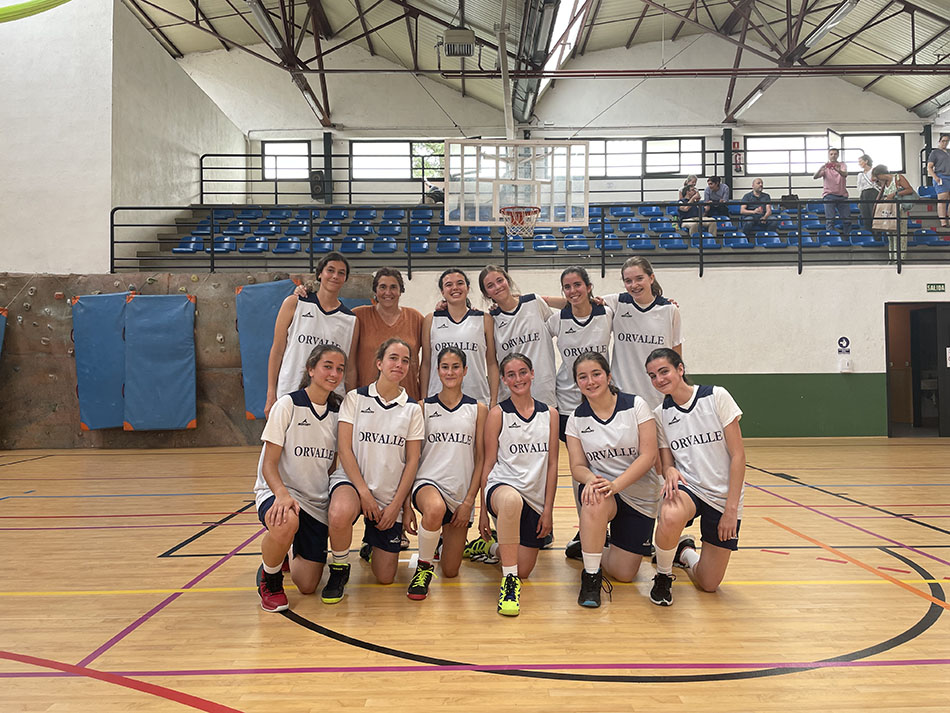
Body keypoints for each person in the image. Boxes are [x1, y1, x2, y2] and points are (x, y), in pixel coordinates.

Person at [645, 348, 745, 607]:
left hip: (724, 496)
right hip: (690, 487)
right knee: (669, 513)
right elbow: (666, 462)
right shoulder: (660, 414)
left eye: (663, 371)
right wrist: (669, 470)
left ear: (680, 369)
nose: (659, 380)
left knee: (709, 584)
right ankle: (664, 576)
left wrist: (730, 510)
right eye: (652, 376)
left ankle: (684, 552)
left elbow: (738, 456)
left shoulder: (716, 396)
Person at [324, 338, 425, 598]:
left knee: (385, 578)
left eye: (405, 360)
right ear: (379, 363)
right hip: (353, 483)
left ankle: (371, 544)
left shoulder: (413, 409)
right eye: (393, 358)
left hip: (388, 494)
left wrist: (397, 506)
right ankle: (339, 568)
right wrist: (364, 493)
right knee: (339, 512)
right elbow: (344, 450)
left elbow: (412, 461)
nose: (399, 365)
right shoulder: (355, 398)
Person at [254, 344, 346, 612]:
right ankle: (269, 580)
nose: (334, 373)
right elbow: (269, 464)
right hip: (279, 492)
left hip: (315, 502)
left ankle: (281, 552)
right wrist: (282, 495)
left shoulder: (338, 413)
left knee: (307, 585)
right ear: (311, 369)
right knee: (285, 520)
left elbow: (332, 465)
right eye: (327, 366)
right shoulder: (288, 404)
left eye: (339, 369)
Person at [566, 352, 660, 608]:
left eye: (596, 374)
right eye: (582, 377)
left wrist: (616, 484)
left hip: (638, 492)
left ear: (608, 376)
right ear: (577, 383)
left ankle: (587, 546)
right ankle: (591, 576)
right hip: (605, 493)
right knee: (593, 496)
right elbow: (577, 465)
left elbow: (649, 455)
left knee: (625, 573)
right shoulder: (576, 419)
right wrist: (591, 480)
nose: (590, 381)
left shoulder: (636, 405)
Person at [478, 353, 559, 616]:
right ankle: (509, 583)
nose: (518, 378)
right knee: (511, 501)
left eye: (523, 372)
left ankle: (490, 548)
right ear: (503, 380)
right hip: (502, 489)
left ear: (533, 373)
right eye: (510, 374)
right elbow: (488, 463)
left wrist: (548, 510)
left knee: (524, 568)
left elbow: (553, 465)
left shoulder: (551, 414)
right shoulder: (497, 414)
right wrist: (481, 511)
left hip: (534, 499)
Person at [408, 347, 488, 600]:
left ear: (465, 371)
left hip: (460, 494)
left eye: (456, 367)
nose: (450, 372)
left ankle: (438, 542)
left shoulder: (478, 409)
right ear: (438, 370)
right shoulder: (423, 407)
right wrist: (404, 506)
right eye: (445, 366)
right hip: (428, 484)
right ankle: (423, 569)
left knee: (452, 570)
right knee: (434, 509)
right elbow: (411, 458)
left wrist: (469, 502)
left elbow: (481, 458)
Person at [266, 252, 358, 416]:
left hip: (331, 399)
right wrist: (270, 394)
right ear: (320, 273)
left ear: (345, 279)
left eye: (341, 273)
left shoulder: (351, 320)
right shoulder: (294, 303)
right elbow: (277, 350)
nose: (335, 276)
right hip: (290, 390)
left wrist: (351, 404)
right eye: (330, 270)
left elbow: (350, 368)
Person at [602, 256, 682, 412]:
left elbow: (676, 356)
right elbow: (579, 303)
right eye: (628, 281)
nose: (634, 285)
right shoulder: (617, 303)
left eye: (639, 278)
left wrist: (676, 390)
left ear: (651, 278)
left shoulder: (670, 310)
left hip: (658, 396)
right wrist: (543, 300)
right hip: (623, 396)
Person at [546, 267, 612, 440]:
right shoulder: (557, 320)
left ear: (589, 287)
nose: (573, 291)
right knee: (577, 458)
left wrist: (665, 302)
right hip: (568, 398)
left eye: (577, 285)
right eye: (567, 287)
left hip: (602, 396)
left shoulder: (606, 313)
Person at [479, 265, 558, 408]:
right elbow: (492, 364)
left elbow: (565, 316)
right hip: (511, 399)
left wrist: (591, 301)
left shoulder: (534, 302)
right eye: (490, 286)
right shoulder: (491, 319)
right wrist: (493, 400)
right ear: (486, 294)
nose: (497, 287)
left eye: (499, 280)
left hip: (544, 393)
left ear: (507, 281)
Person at [420, 268, 498, 406]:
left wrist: (493, 400)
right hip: (437, 401)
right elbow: (426, 364)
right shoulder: (430, 320)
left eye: (460, 283)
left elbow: (491, 363)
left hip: (477, 399)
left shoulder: (484, 319)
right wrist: (424, 399)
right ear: (442, 292)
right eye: (449, 285)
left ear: (468, 288)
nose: (455, 288)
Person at [352, 268, 423, 400]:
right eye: (383, 287)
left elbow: (427, 364)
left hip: (407, 401)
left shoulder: (416, 318)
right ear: (375, 290)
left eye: (393, 287)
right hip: (367, 401)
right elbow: (350, 364)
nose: (388, 292)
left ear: (401, 290)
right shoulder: (358, 316)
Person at [871, 164, 915, 262]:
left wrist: (894, 194)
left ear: (881, 174)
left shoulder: (898, 178)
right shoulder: (885, 183)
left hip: (899, 210)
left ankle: (900, 258)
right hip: (888, 211)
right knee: (890, 234)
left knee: (900, 234)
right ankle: (892, 258)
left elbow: (909, 189)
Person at [813, 148, 850, 233]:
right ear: (828, 155)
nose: (833, 156)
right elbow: (815, 177)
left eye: (835, 154)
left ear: (838, 155)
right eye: (831, 154)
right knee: (830, 220)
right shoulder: (825, 167)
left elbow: (845, 174)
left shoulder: (842, 165)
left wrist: (838, 170)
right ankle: (831, 237)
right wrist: (820, 169)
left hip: (842, 195)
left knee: (847, 219)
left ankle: (847, 237)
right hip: (829, 195)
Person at [926, 133, 950, 231]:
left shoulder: (948, 152)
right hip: (941, 176)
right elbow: (929, 167)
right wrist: (935, 177)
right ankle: (943, 221)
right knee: (942, 199)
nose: (945, 143)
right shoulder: (935, 153)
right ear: (939, 141)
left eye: (947, 141)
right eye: (943, 141)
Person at [854, 154, 877, 231]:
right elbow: (859, 186)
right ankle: (869, 232)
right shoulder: (860, 174)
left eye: (860, 161)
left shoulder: (874, 171)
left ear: (866, 161)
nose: (859, 163)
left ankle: (877, 234)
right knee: (865, 214)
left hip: (873, 192)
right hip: (864, 194)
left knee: (873, 213)